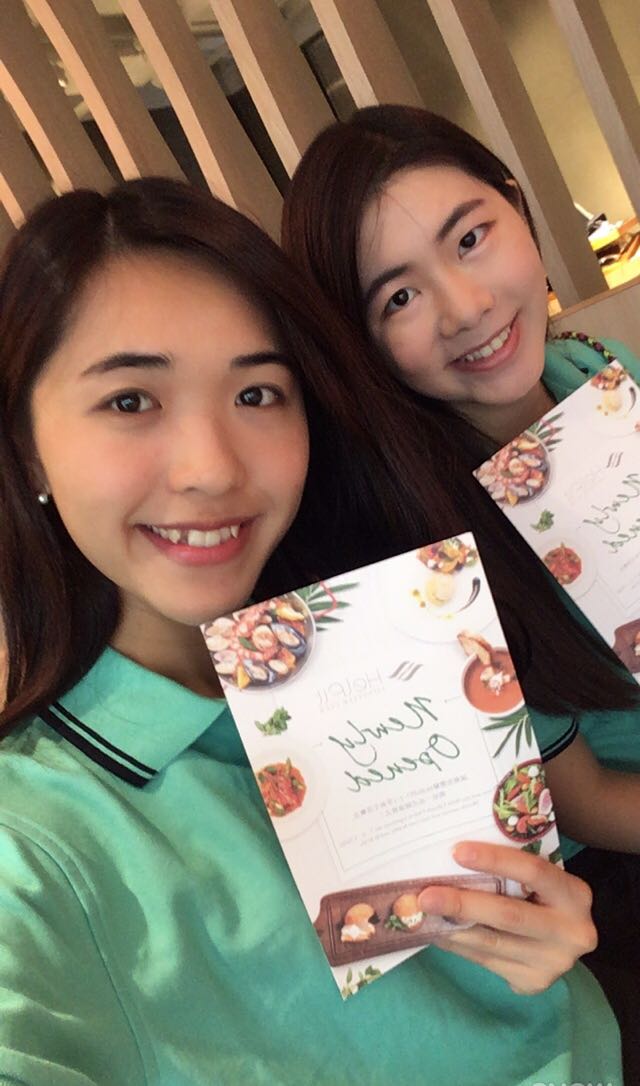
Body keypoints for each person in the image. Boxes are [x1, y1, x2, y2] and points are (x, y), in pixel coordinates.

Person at [0, 179, 619, 1086]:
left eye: (258, 393)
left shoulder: (393, 630)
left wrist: (548, 925)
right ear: (25, 442)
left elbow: (531, 927)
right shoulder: (35, 844)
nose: (213, 469)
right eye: (132, 401)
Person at [281, 102, 640, 1074]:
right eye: (398, 297)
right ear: (358, 343)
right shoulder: (424, 552)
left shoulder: (600, 373)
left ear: (518, 207)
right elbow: (584, 801)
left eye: (471, 238)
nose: (466, 305)